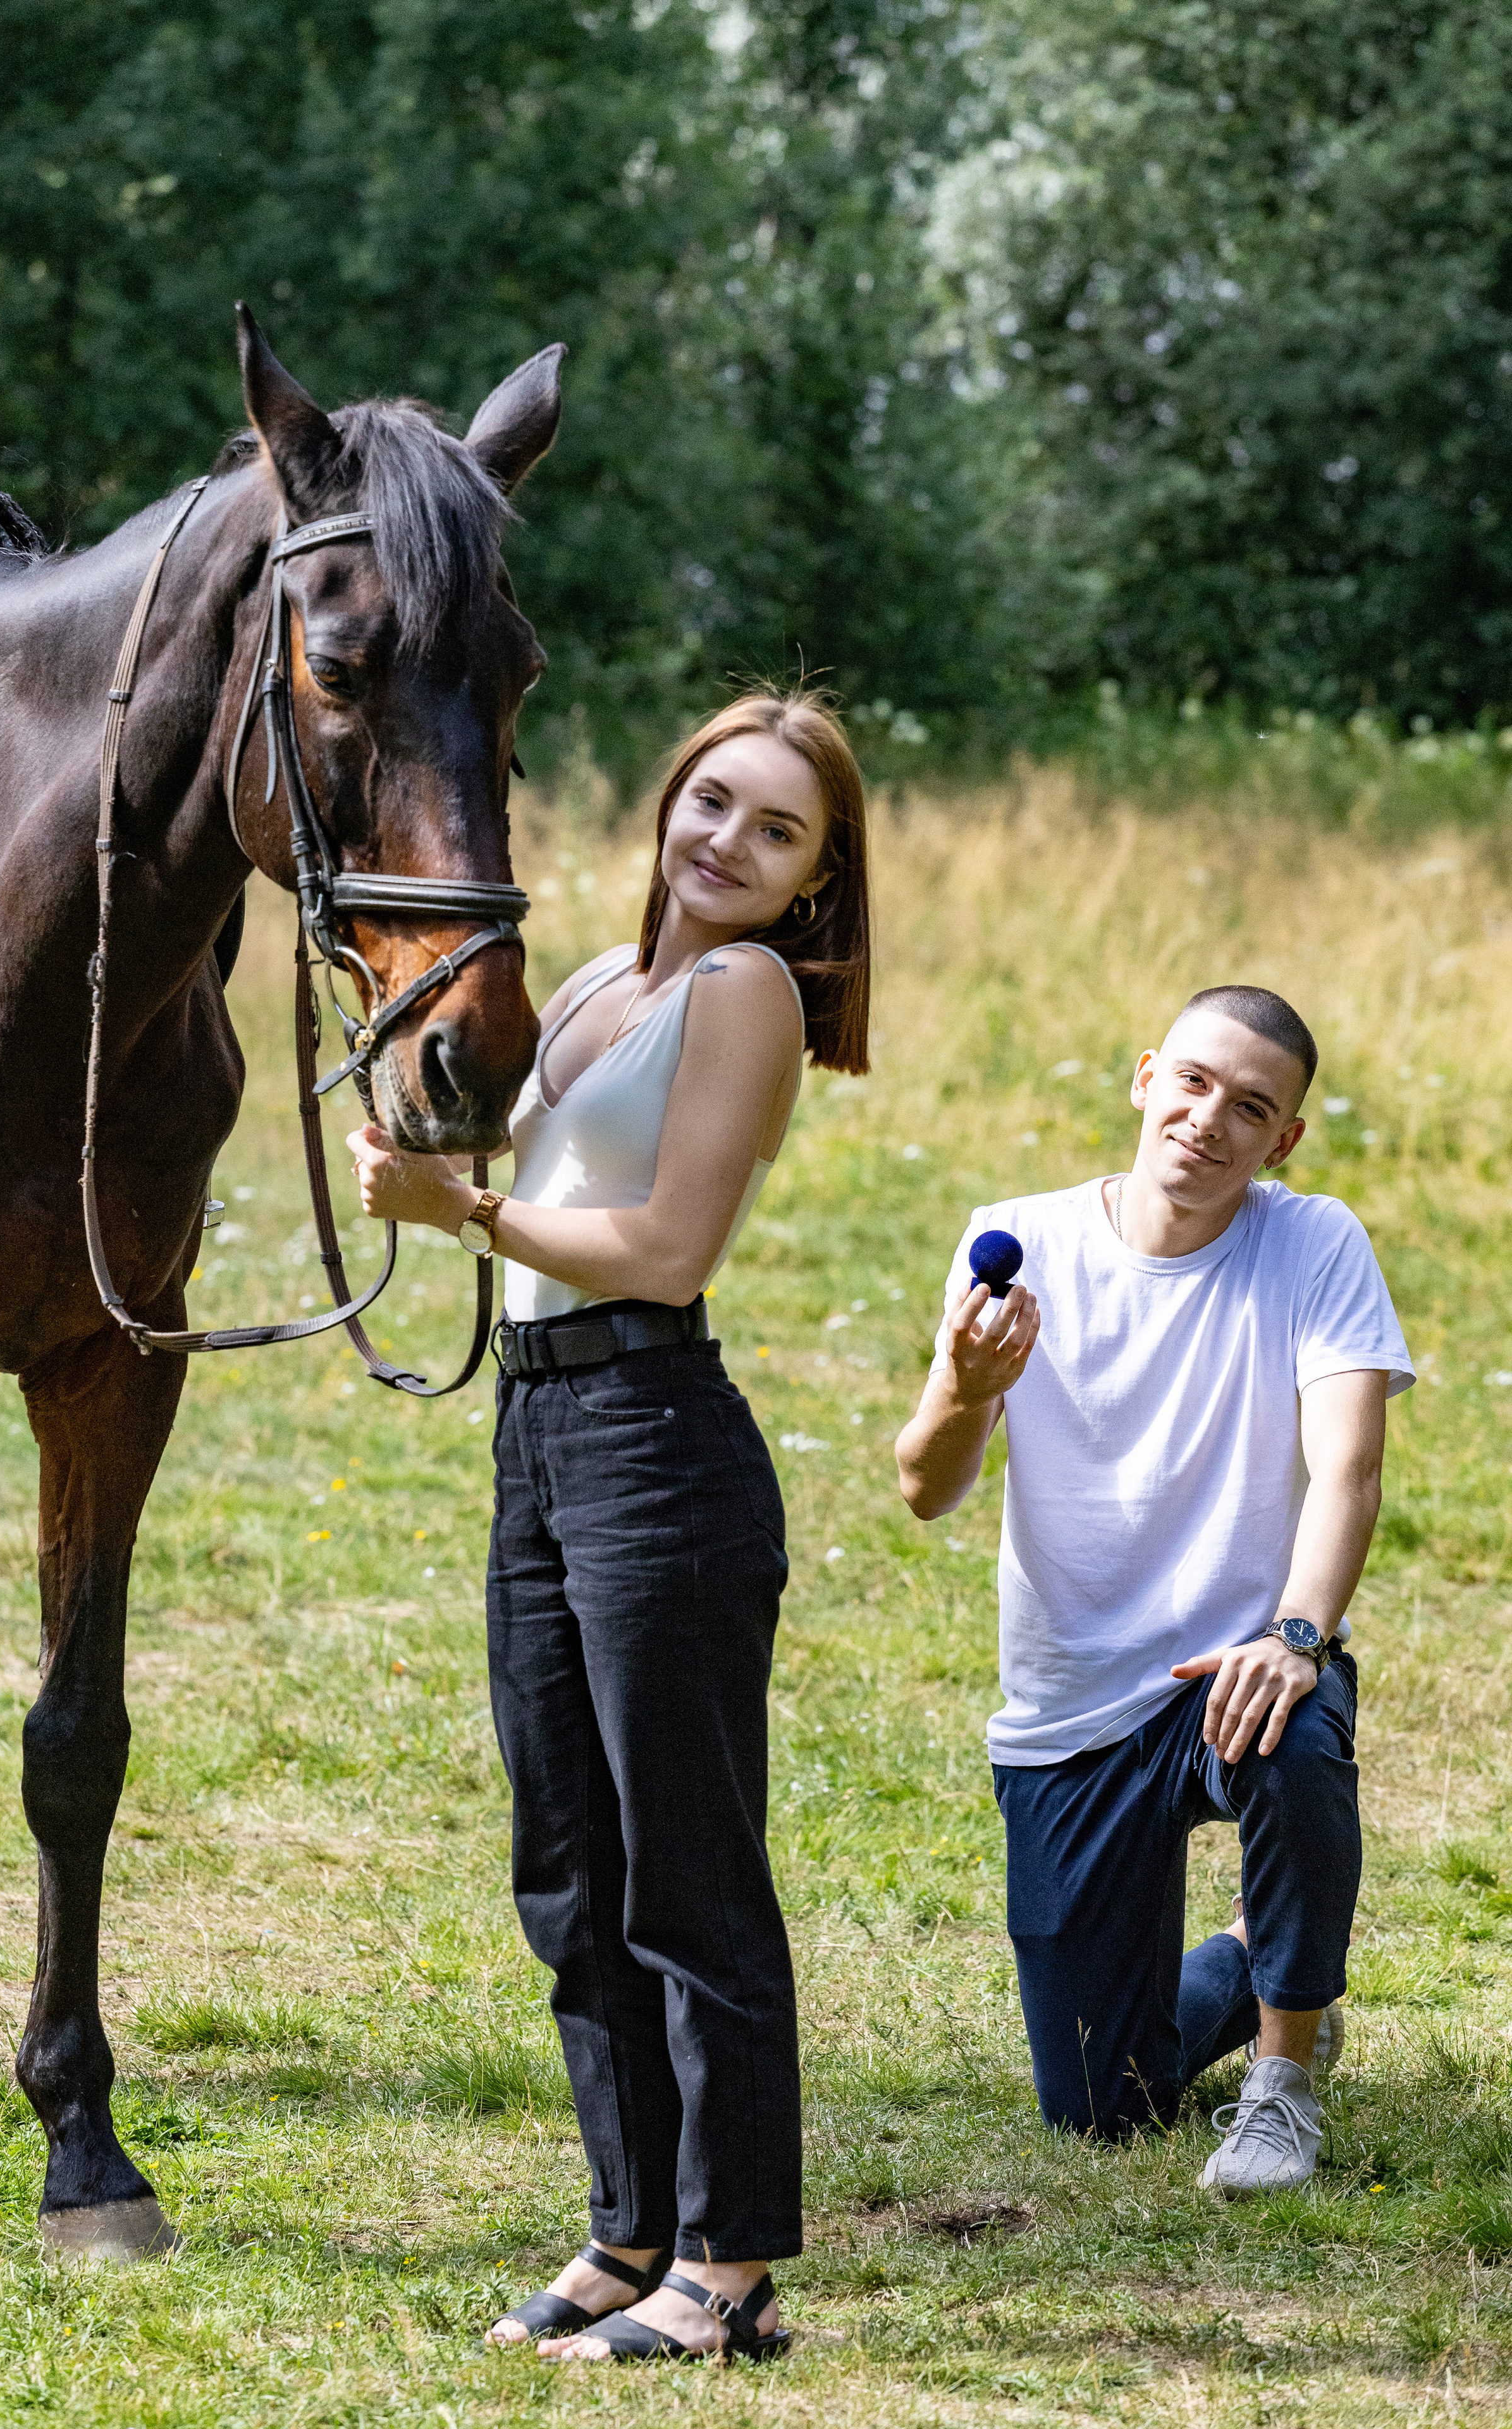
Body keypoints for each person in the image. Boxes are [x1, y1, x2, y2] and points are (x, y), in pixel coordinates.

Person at [349, 689, 871, 2359]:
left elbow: (661, 1248)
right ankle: (628, 2227)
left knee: (687, 1870)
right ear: (669, 802)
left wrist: (474, 1208)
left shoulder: (745, 988)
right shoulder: (595, 983)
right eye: (712, 802)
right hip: (543, 1433)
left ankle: (730, 2271)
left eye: (775, 830)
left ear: (811, 882)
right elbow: (517, 1164)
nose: (726, 841)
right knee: (573, 1868)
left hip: (660, 1442)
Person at [895, 986, 1412, 2192]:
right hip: (1069, 1707)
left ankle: (1284, 2085)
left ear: (1281, 1140)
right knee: (1099, 2107)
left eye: (1250, 1108)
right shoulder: (1018, 1240)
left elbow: (1350, 1467)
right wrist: (968, 1388)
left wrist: (1296, 1635)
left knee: (1292, 1735)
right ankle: (1262, 1960)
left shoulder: (1314, 1240)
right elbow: (924, 1488)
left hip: (1235, 1665)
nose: (1208, 1120)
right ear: (1144, 1077)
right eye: (1191, 1083)